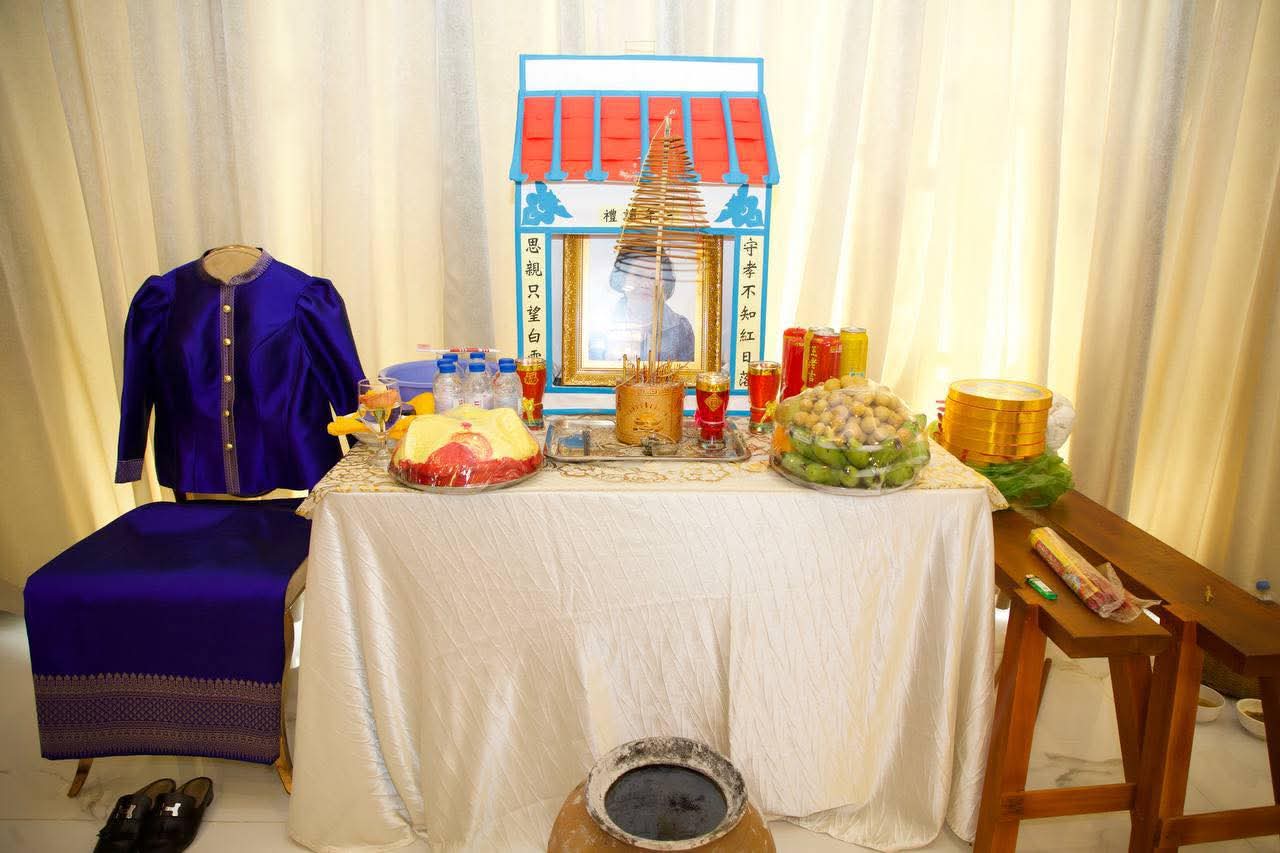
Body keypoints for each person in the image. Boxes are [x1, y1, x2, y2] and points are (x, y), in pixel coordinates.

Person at [589, 251, 695, 362]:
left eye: (653, 277)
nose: (645, 284)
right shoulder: (600, 324)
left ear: (664, 283)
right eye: (638, 275)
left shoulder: (681, 328)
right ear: (623, 278)